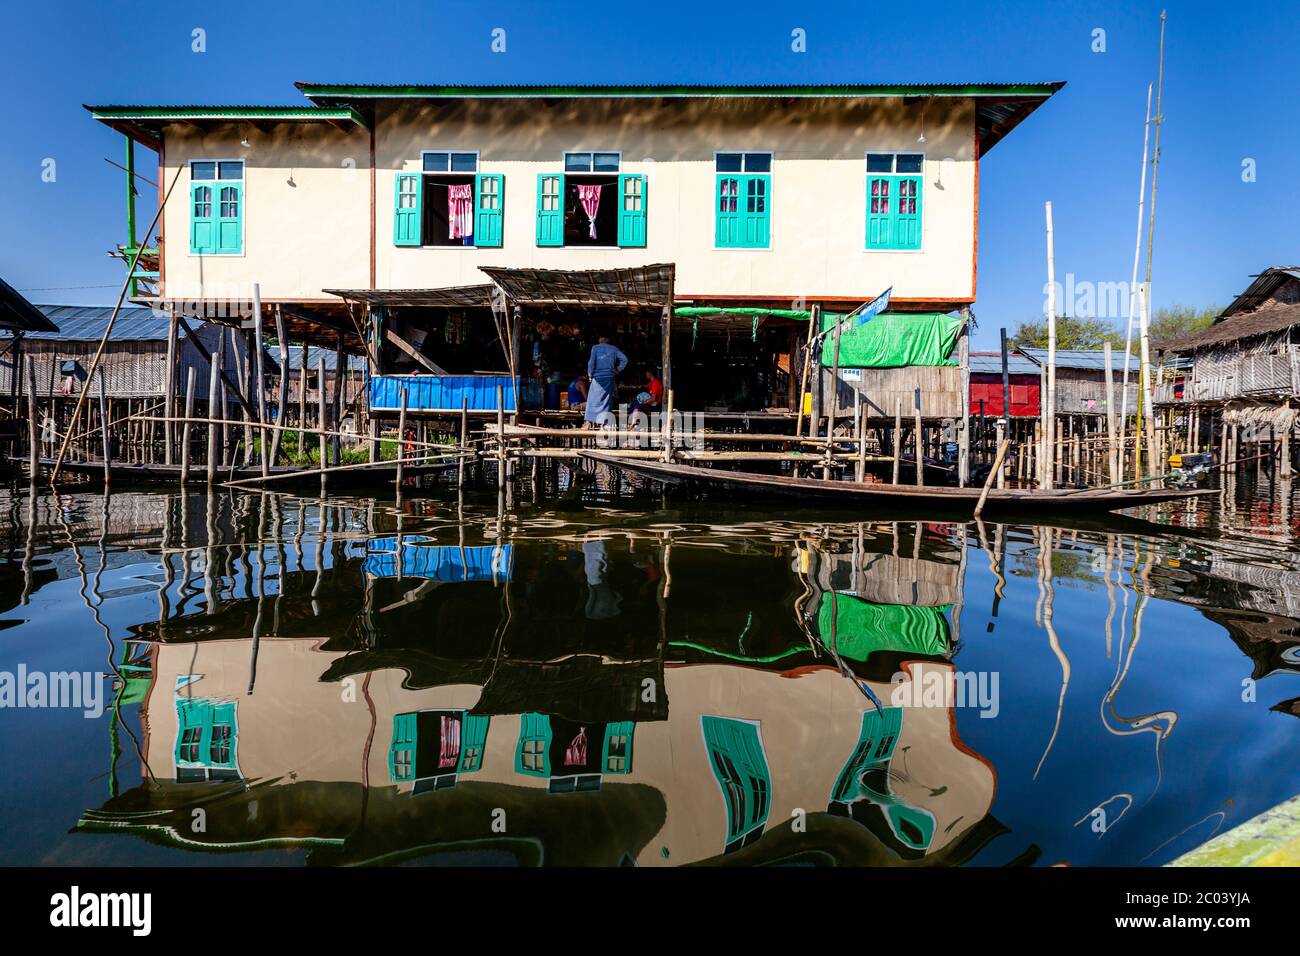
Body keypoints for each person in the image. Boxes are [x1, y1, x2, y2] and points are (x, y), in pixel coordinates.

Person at [584, 335, 627, 428]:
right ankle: (602, 424)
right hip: (608, 377)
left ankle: (588, 422)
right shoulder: (614, 349)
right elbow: (625, 360)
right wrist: (617, 370)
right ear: (607, 340)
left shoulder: (595, 348)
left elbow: (591, 363)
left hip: (597, 378)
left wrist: (590, 375)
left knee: (592, 399)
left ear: (600, 339)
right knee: (606, 400)